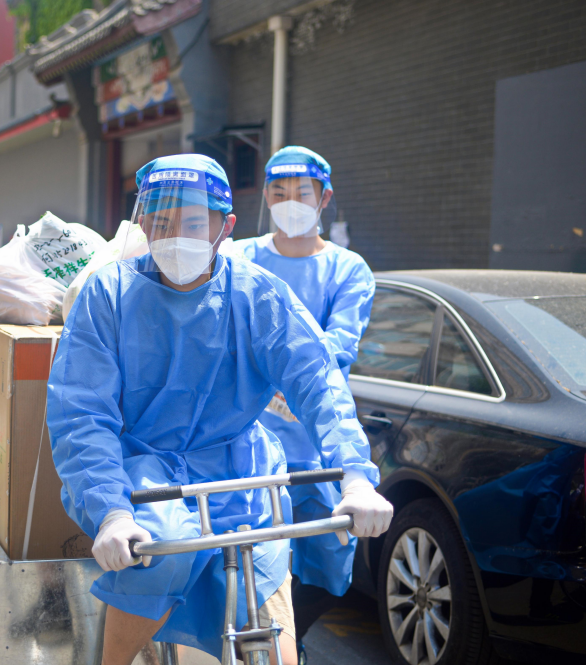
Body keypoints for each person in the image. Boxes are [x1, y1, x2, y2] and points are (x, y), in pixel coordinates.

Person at [48, 154, 391, 665]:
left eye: (191, 222)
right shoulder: (109, 293)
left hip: (244, 472)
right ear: (142, 223)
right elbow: (82, 413)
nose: (173, 235)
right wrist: (113, 512)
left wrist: (357, 476)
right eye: (160, 221)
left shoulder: (258, 294)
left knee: (271, 605)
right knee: (158, 553)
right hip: (144, 470)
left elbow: (320, 383)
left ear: (225, 227)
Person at [233, 146, 377, 643]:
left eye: (302, 192)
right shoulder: (239, 257)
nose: (289, 201)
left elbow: (340, 343)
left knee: (326, 563)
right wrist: (269, 388)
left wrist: (291, 384)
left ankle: (290, 641)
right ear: (265, 197)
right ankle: (270, 644)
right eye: (279, 192)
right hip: (246, 439)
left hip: (316, 438)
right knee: (249, 560)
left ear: (324, 198)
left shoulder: (348, 269)